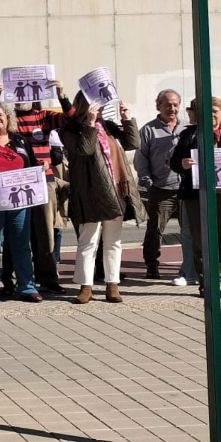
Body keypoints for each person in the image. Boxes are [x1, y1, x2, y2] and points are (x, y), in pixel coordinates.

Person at [60, 93, 141, 303]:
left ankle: (112, 284)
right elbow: (85, 149)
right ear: (84, 105)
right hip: (91, 192)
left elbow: (133, 143)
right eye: (96, 104)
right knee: (88, 240)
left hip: (116, 189)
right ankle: (85, 286)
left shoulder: (109, 126)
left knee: (113, 240)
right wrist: (89, 124)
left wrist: (127, 119)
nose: (101, 108)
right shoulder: (70, 129)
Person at [171, 98, 221, 299]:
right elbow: (174, 162)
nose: (211, 115)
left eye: (215, 111)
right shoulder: (189, 135)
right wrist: (183, 164)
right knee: (200, 242)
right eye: (207, 111)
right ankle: (205, 283)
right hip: (197, 197)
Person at [0, 102, 42, 303]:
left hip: (20, 202)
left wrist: (42, 166)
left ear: (8, 118)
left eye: (0, 115)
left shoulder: (20, 140)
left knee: (22, 245)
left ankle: (27, 287)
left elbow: (32, 164)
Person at [13, 81, 71, 294]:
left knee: (46, 233)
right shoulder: (7, 118)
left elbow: (69, 118)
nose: (21, 99)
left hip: (43, 180)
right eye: (17, 94)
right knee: (17, 233)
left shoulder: (43, 116)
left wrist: (62, 96)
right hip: (15, 182)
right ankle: (15, 279)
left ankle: (47, 278)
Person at [135, 90, 194, 282]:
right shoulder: (148, 130)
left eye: (176, 104)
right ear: (158, 106)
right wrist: (148, 182)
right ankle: (151, 264)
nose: (172, 108)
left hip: (186, 188)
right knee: (156, 229)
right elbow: (141, 159)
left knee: (190, 229)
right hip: (161, 188)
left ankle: (190, 265)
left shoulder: (187, 127)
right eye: (168, 104)